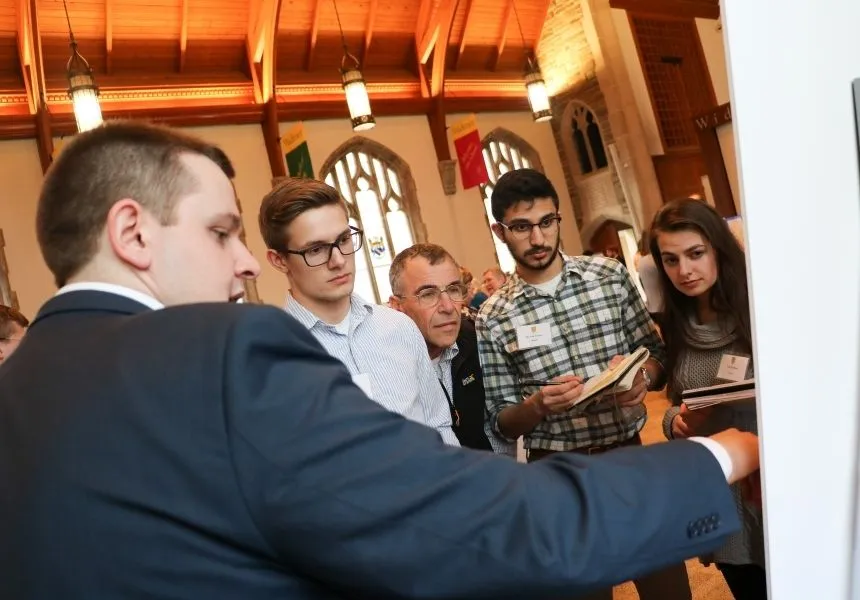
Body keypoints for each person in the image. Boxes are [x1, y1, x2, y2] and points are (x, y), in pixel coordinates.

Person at [1, 121, 759, 600]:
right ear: (133, 233)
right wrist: (717, 458)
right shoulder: (224, 352)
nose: (242, 265)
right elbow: (475, 517)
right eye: (222, 232)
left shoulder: (20, 385)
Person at [476, 168, 693, 600]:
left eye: (546, 222)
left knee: (667, 587)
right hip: (555, 473)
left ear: (559, 218)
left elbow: (658, 354)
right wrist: (538, 404)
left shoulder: (608, 276)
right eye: (521, 227)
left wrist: (642, 377)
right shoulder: (493, 316)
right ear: (500, 231)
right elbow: (501, 421)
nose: (537, 239)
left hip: (627, 456)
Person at [257, 178, 458, 446]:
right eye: (316, 249)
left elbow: (438, 425)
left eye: (343, 240)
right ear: (279, 260)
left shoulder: (399, 327)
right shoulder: (271, 358)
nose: (338, 260)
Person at [650, 198, 766, 599]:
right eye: (671, 259)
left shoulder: (762, 310)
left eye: (695, 254)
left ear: (718, 248)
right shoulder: (678, 326)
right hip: (725, 495)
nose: (684, 270)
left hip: (774, 483)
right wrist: (674, 424)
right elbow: (675, 403)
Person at [389, 243, 513, 454]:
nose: (448, 307)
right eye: (428, 294)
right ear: (397, 306)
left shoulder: (477, 342)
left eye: (454, 290)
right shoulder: (386, 366)